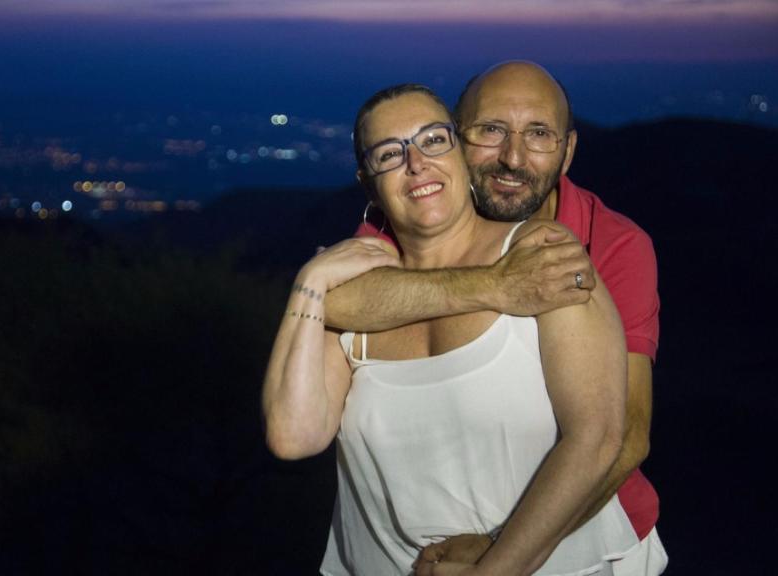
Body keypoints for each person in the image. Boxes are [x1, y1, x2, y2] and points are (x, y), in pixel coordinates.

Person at [262, 83, 637, 575]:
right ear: (368, 183)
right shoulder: (355, 294)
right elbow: (294, 435)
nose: (416, 163)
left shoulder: (539, 254)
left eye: (433, 140)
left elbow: (600, 438)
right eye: (389, 154)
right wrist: (309, 282)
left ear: (461, 152)